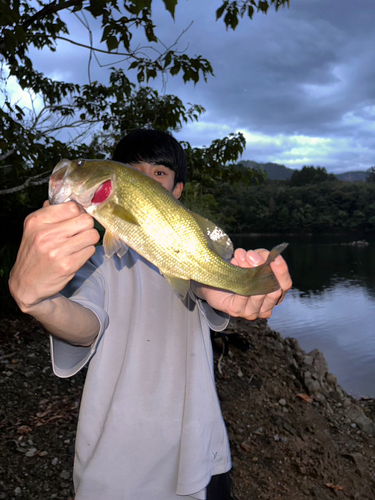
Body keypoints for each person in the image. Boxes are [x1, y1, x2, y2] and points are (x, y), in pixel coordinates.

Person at [9, 129, 292, 500]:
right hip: (116, 475)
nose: (144, 178)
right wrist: (39, 301)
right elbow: (83, 326)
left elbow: (201, 284)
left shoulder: (189, 248)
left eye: (158, 172)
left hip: (203, 459)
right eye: (133, 169)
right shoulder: (91, 259)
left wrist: (237, 282)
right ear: (114, 179)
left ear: (177, 193)